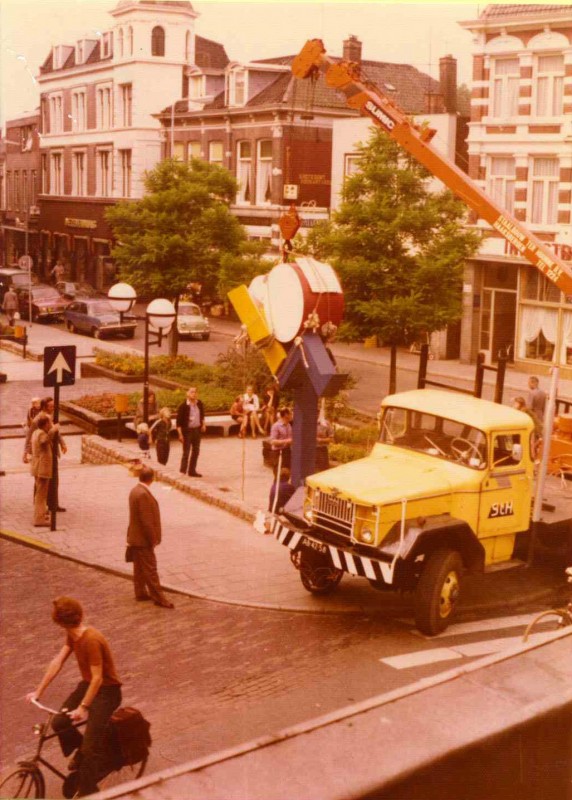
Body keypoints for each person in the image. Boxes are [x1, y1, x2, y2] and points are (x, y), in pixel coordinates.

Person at [26, 596, 122, 798]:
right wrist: (38, 691)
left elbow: (98, 678)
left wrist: (83, 707)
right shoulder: (73, 634)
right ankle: (83, 755)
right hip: (88, 686)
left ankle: (88, 791)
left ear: (60, 622)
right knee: (60, 722)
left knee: (89, 748)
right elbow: (58, 661)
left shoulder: (91, 640)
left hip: (107, 692)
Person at [126, 465, 174, 608]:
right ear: (151, 479)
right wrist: (153, 539)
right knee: (151, 569)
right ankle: (159, 598)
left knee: (139, 568)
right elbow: (146, 521)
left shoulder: (134, 491)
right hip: (142, 540)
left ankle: (140, 593)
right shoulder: (143, 495)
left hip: (134, 537)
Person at [24, 396, 67, 512]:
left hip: (51, 452)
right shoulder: (39, 419)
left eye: (54, 406)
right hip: (43, 454)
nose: (53, 408)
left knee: (53, 479)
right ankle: (39, 506)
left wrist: (62, 444)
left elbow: (56, 432)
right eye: (50, 406)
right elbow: (29, 435)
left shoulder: (50, 417)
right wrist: (25, 452)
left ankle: (53, 504)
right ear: (44, 407)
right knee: (41, 480)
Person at [30, 414, 60, 526]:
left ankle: (40, 515)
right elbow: (44, 440)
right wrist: (54, 429)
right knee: (41, 495)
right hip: (42, 468)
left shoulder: (35, 432)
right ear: (46, 424)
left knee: (40, 494)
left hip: (37, 466)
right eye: (49, 423)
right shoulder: (41, 433)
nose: (50, 424)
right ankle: (39, 519)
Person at [176, 387, 205, 477]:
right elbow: (178, 422)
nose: (194, 394)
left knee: (196, 451)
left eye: (195, 392)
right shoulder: (183, 406)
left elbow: (202, 415)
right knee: (186, 452)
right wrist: (180, 434)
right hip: (187, 431)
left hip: (197, 430)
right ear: (187, 394)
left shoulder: (199, 403)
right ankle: (182, 471)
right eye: (192, 392)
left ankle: (192, 471)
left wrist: (203, 424)